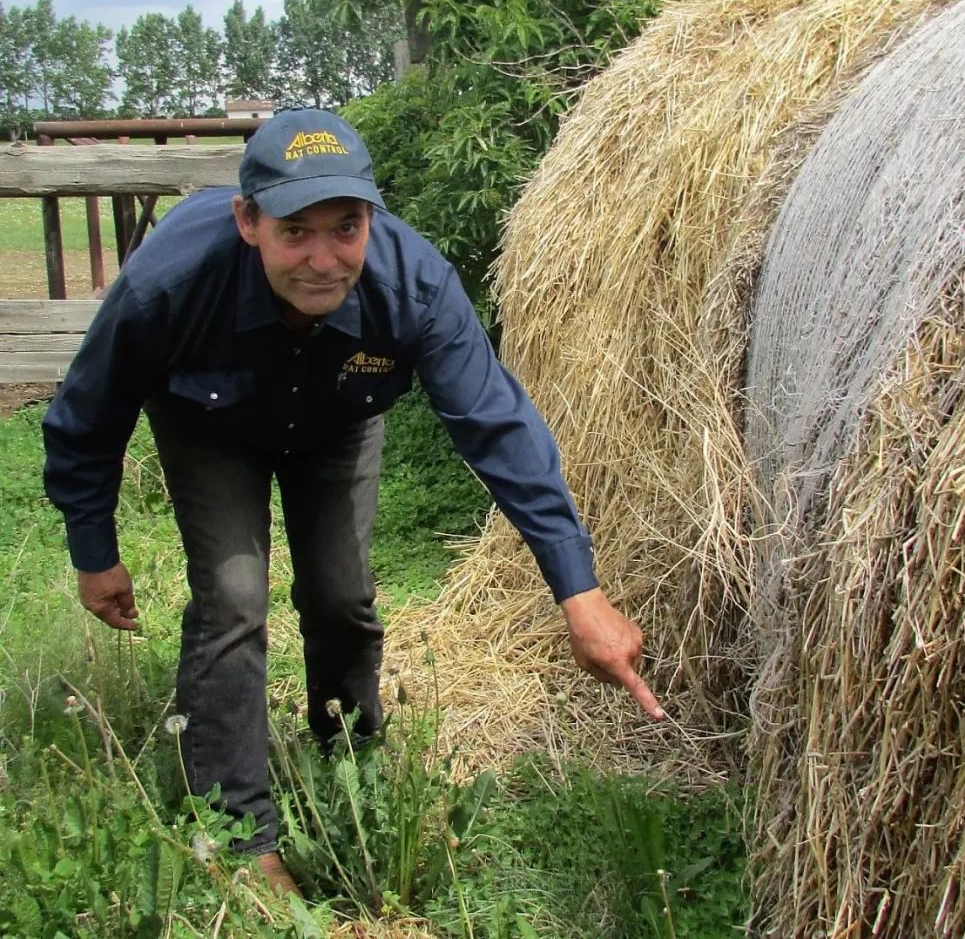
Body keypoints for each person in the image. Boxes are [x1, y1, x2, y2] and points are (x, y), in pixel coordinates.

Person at [43, 107, 663, 894]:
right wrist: (94, 552)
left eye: (346, 227)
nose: (323, 259)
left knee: (341, 593)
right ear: (247, 220)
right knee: (233, 599)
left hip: (337, 418)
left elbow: (498, 428)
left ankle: (350, 768)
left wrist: (582, 594)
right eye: (295, 230)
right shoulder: (168, 284)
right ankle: (239, 838)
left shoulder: (415, 285)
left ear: (371, 217)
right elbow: (85, 416)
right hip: (210, 423)